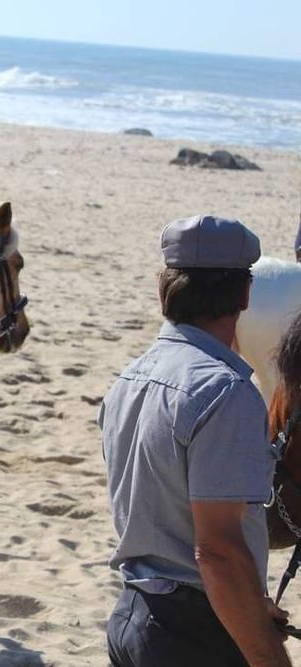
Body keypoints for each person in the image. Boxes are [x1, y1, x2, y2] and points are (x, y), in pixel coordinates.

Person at [99, 214, 290, 666]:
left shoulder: (129, 379)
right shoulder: (227, 393)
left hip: (132, 616)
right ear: (245, 294)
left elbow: (164, 517)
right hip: (193, 637)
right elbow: (218, 550)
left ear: (163, 289)